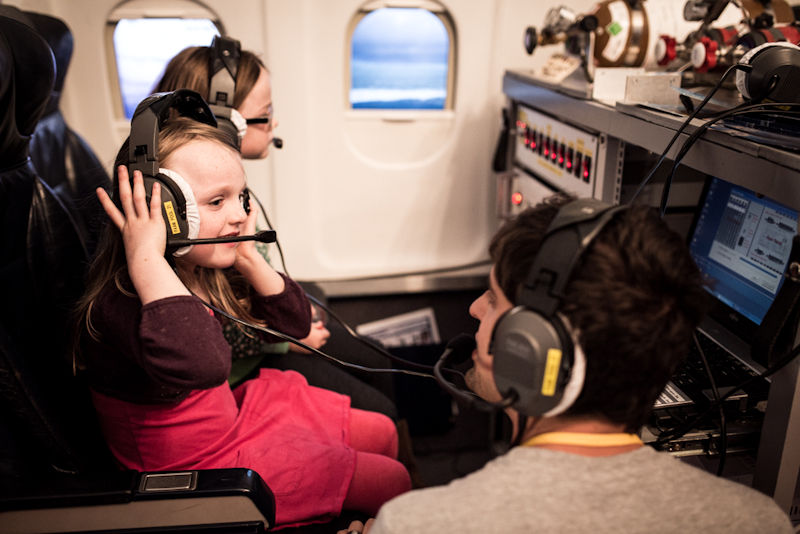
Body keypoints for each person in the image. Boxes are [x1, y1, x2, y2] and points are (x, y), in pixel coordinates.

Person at [341, 194, 794, 534]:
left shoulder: (417, 524)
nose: (475, 309)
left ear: (533, 346)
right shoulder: (759, 521)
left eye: (493, 299)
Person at [74, 110, 411, 527]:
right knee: (391, 480)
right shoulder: (123, 302)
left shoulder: (196, 265)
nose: (238, 214)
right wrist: (146, 255)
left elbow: (295, 324)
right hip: (191, 472)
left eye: (241, 196)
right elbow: (206, 364)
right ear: (166, 210)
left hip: (230, 423)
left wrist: (250, 259)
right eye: (217, 202)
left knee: (384, 432)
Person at [154, 39, 398, 419]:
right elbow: (217, 320)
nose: (274, 122)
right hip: (244, 365)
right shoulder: (185, 222)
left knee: (376, 359)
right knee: (379, 406)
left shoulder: (221, 189)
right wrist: (287, 343)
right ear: (225, 124)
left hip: (265, 328)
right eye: (265, 114)